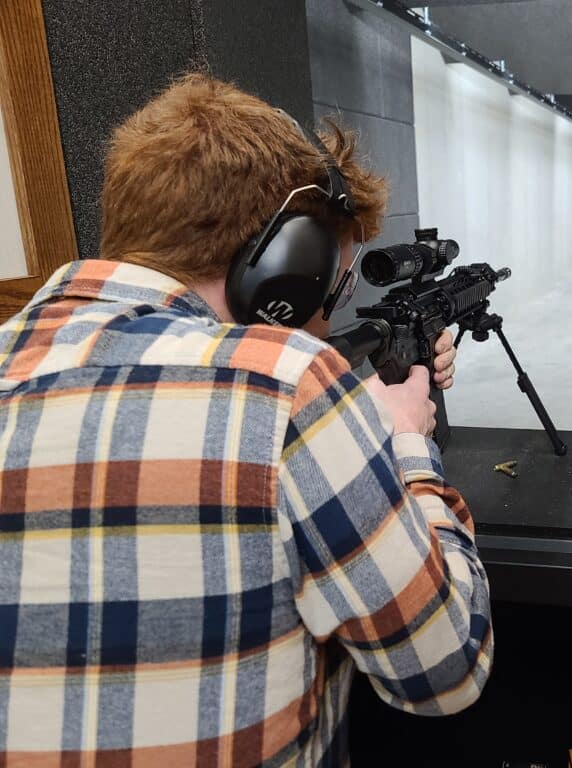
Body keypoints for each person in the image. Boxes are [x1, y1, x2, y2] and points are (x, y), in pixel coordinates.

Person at [0, 74, 492, 766]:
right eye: (331, 282)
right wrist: (405, 442)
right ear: (286, 269)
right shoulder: (287, 384)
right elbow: (446, 670)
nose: (328, 312)